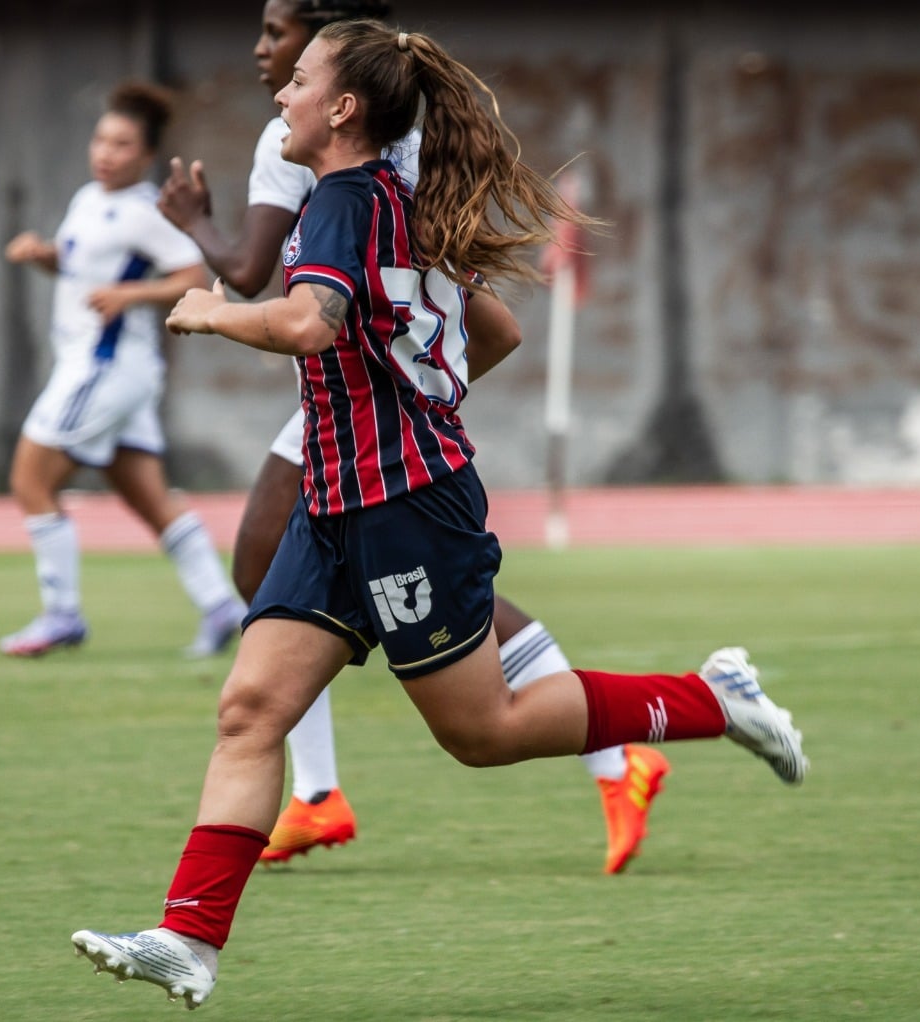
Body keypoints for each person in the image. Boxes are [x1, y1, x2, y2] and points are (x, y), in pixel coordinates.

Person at [70, 21, 807, 1008]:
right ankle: (190, 936)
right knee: (249, 709)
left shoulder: (341, 200)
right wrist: (407, 389)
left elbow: (304, 321)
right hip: (335, 502)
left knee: (483, 730)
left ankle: (717, 698)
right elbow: (477, 330)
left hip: (406, 508)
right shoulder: (385, 197)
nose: (278, 95)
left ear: (343, 108)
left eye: (296, 80)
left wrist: (211, 311)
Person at [157, 0, 669, 876]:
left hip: (361, 405)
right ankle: (309, 802)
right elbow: (487, 324)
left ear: (339, 83)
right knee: (279, 606)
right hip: (360, 399)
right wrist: (426, 388)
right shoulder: (400, 157)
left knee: (451, 683)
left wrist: (199, 241)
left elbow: (263, 283)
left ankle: (629, 739)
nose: (267, 60)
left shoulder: (319, 163)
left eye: (281, 38)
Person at [0, 81, 245, 659]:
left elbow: (192, 276)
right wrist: (44, 256)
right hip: (115, 372)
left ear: (145, 154)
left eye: (122, 143)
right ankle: (221, 606)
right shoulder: (88, 199)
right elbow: (79, 266)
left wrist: (130, 295)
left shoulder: (146, 211)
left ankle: (61, 616)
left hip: (105, 367)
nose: (106, 152)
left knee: (31, 481)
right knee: (148, 499)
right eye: (101, 139)